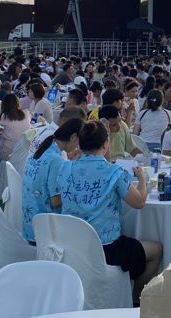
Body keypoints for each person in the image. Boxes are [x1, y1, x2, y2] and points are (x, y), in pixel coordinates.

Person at [59, 121, 162, 305]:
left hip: (73, 244)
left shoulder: (64, 167)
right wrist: (142, 179)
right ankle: (135, 298)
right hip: (107, 250)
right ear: (106, 144)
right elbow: (139, 202)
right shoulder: (113, 172)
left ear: (79, 144)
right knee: (156, 250)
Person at [21, 117, 83, 244]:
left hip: (30, 226)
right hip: (44, 233)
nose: (78, 147)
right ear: (73, 137)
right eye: (79, 143)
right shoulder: (56, 160)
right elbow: (56, 202)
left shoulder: (44, 148)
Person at [0, 94, 32, 160]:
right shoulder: (26, 113)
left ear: (4, 104)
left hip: (9, 154)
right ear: (18, 102)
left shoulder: (4, 117)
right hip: (24, 153)